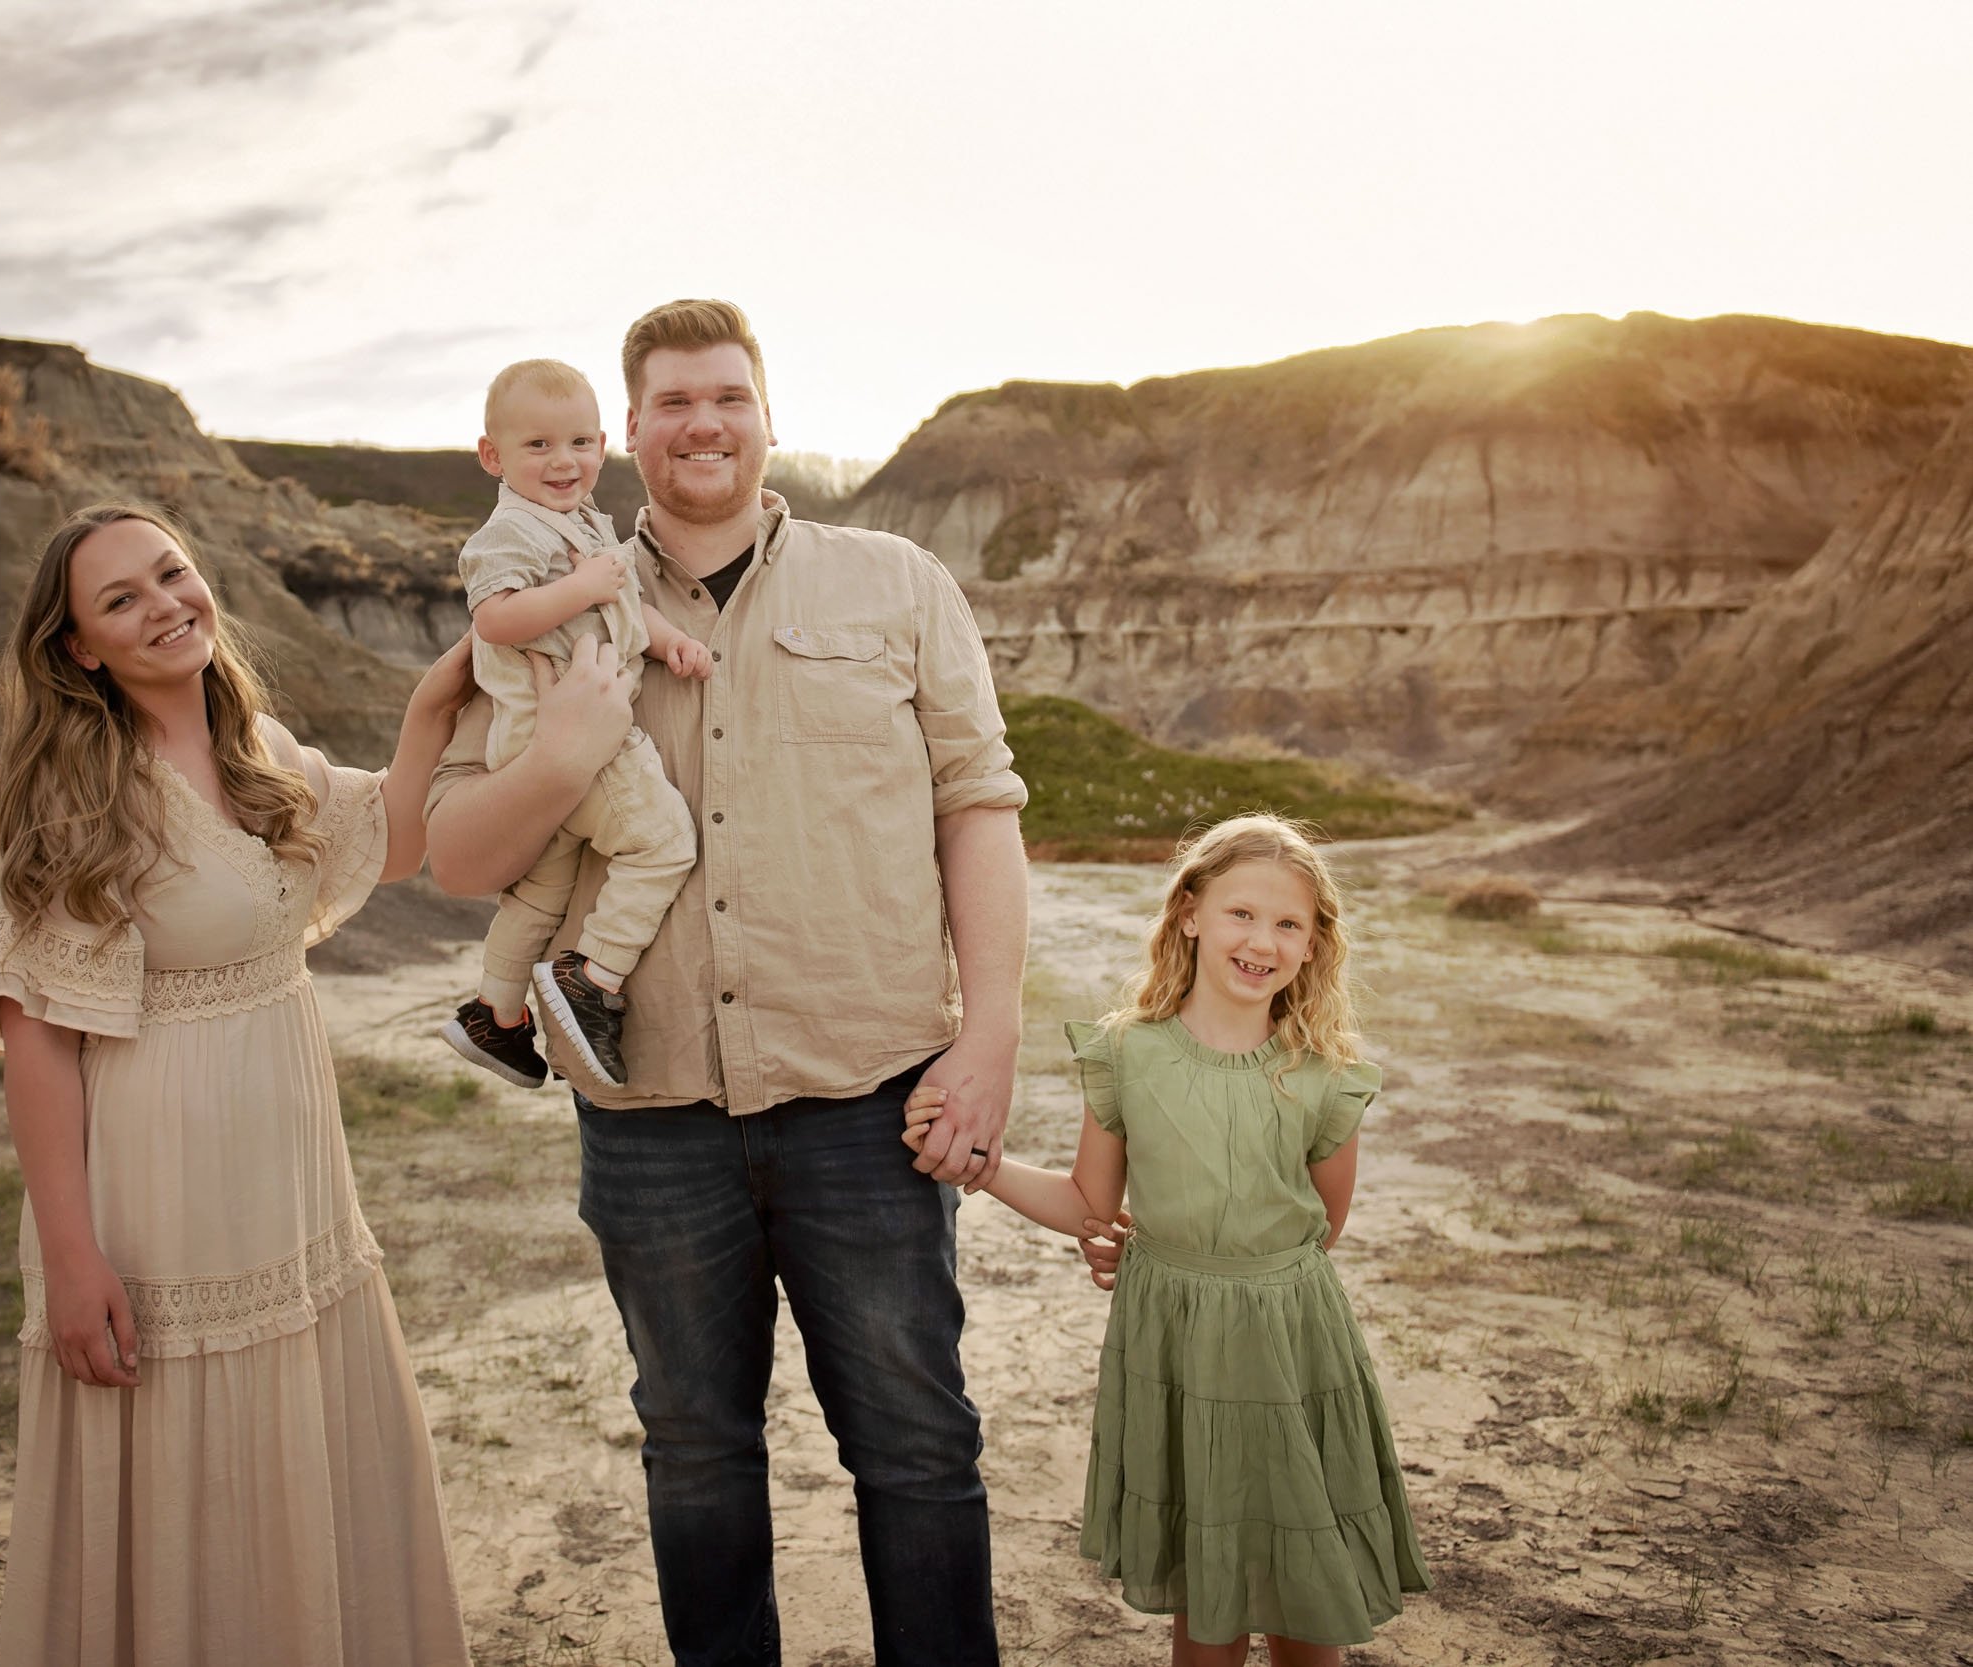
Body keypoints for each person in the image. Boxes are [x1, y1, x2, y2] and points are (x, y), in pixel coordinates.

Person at [425, 299, 1029, 1667]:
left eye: (728, 397)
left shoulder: (898, 583)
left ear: (768, 416)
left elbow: (978, 809)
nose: (703, 422)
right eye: (672, 403)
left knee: (922, 1443)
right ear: (628, 433)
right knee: (696, 1452)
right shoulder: (537, 597)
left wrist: (987, 1036)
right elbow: (458, 855)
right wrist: (559, 753)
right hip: (649, 1116)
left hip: (866, 1101)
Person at [0, 501, 476, 1666]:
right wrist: (69, 1254)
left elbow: (389, 839)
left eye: (172, 573)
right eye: (121, 598)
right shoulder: (70, 796)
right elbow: (36, 1035)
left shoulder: (258, 750)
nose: (164, 605)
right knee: (191, 1449)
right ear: (78, 647)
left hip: (291, 1178)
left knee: (301, 1435)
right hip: (160, 1187)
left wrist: (434, 703)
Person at [905, 814, 1430, 1666]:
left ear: (1311, 946)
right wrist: (980, 1163)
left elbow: (1321, 1227)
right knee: (1207, 1594)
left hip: (1291, 1345)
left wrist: (1224, 1256)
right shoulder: (1127, 1054)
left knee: (1308, 1592)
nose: (1262, 940)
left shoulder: (1323, 1075)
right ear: (1189, 912)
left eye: (1288, 924)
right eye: (1242, 913)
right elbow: (1088, 1201)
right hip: (1178, 1343)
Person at [437, 358, 707, 1094]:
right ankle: (593, 974)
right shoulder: (508, 534)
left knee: (542, 889)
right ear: (493, 455)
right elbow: (494, 618)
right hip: (580, 735)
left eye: (582, 443)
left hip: (537, 749)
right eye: (540, 446)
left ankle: (496, 1009)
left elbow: (617, 606)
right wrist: (578, 585)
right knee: (664, 842)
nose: (566, 462)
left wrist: (666, 638)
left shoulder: (585, 520)